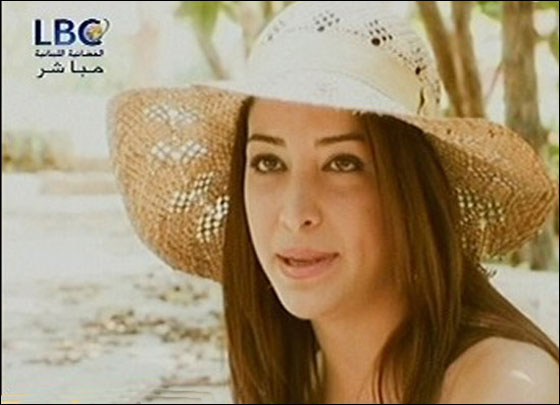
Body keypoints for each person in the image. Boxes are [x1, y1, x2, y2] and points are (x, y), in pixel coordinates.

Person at [109, 2, 559, 403]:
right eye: (268, 162)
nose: (295, 214)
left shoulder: (505, 385)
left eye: (343, 163)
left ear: (411, 191)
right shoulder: (294, 379)